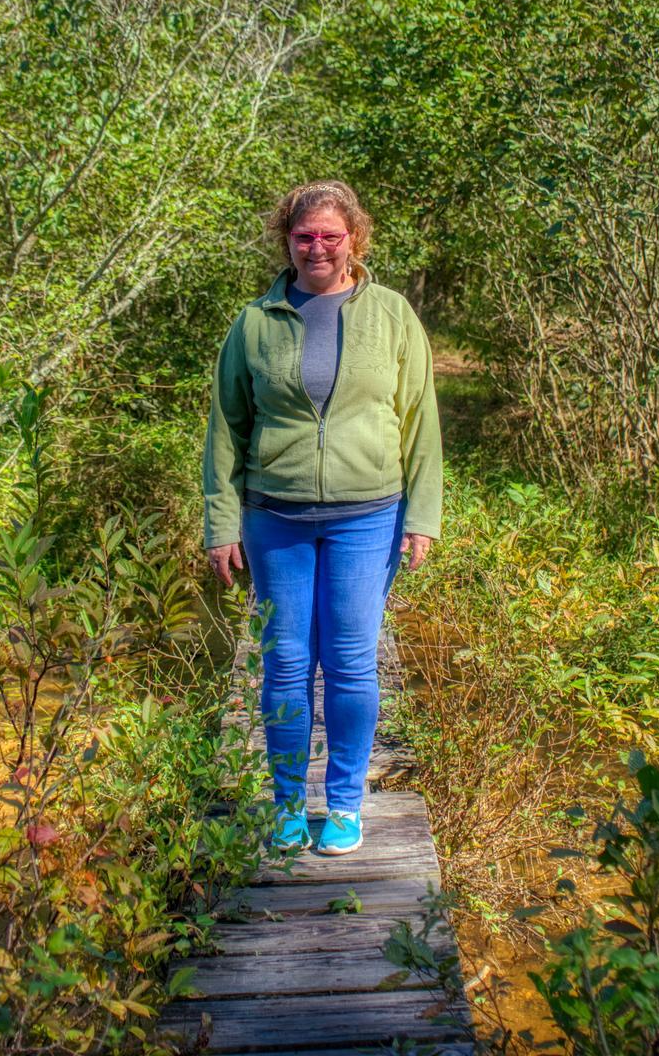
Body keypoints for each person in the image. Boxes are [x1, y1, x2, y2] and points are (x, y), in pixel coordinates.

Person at [201, 180, 443, 857]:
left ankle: (342, 803)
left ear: (354, 241)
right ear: (287, 241)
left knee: (350, 664)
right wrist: (221, 524)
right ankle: (284, 804)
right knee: (282, 667)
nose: (317, 248)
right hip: (274, 517)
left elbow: (421, 422)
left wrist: (423, 515)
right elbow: (226, 430)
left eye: (330, 236)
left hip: (368, 516)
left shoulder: (393, 315)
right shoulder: (254, 323)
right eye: (304, 237)